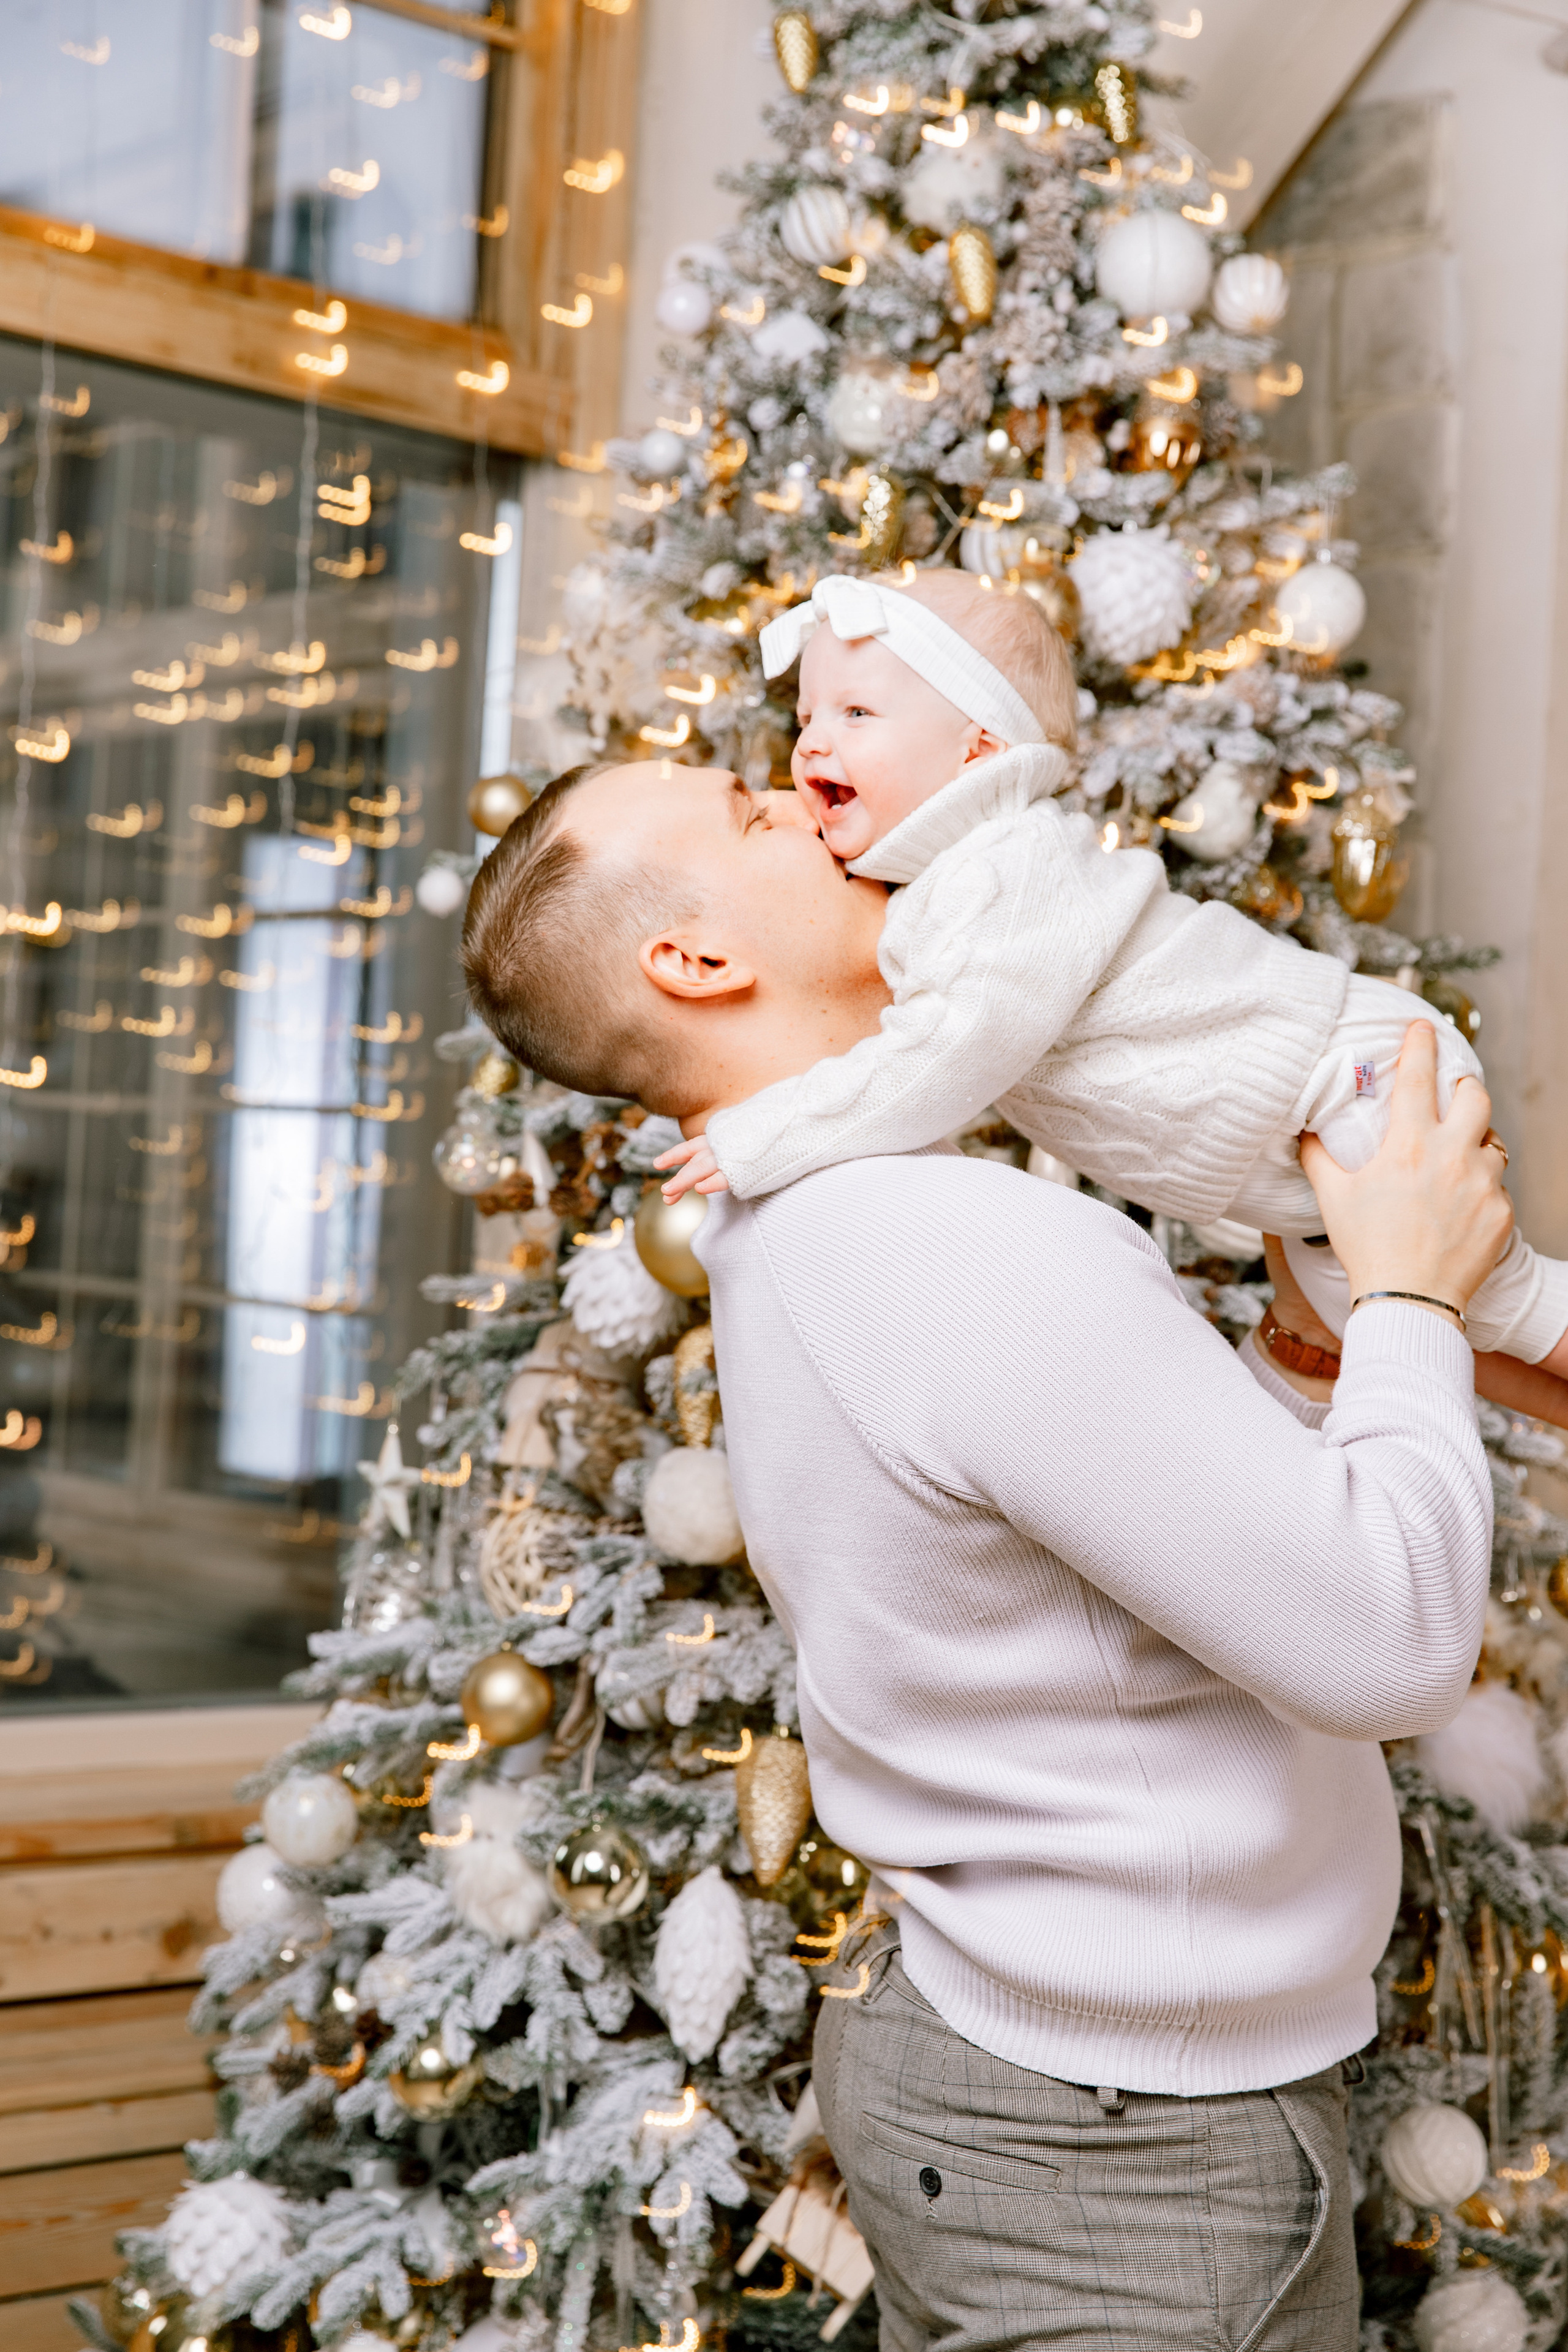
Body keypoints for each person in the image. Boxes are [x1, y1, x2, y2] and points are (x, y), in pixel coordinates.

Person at [462, 755, 1509, 2350]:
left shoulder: (822, 1217)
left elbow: (1074, 1568)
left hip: (1060, 2085)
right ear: (695, 963)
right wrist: (1412, 1294)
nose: (818, 806)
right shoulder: (938, 1241)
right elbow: (1389, 1643)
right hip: (1114, 2149)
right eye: (755, 818)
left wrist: (1324, 1371)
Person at [651, 571, 1568, 1404]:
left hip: (1349, 1078)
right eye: (808, 715)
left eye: (857, 714)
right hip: (1303, 1146)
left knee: (1505, 1302)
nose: (812, 744)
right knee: (1412, 1329)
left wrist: (772, 1132)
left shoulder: (1005, 865)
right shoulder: (935, 891)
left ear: (977, 752)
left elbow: (949, 1048)